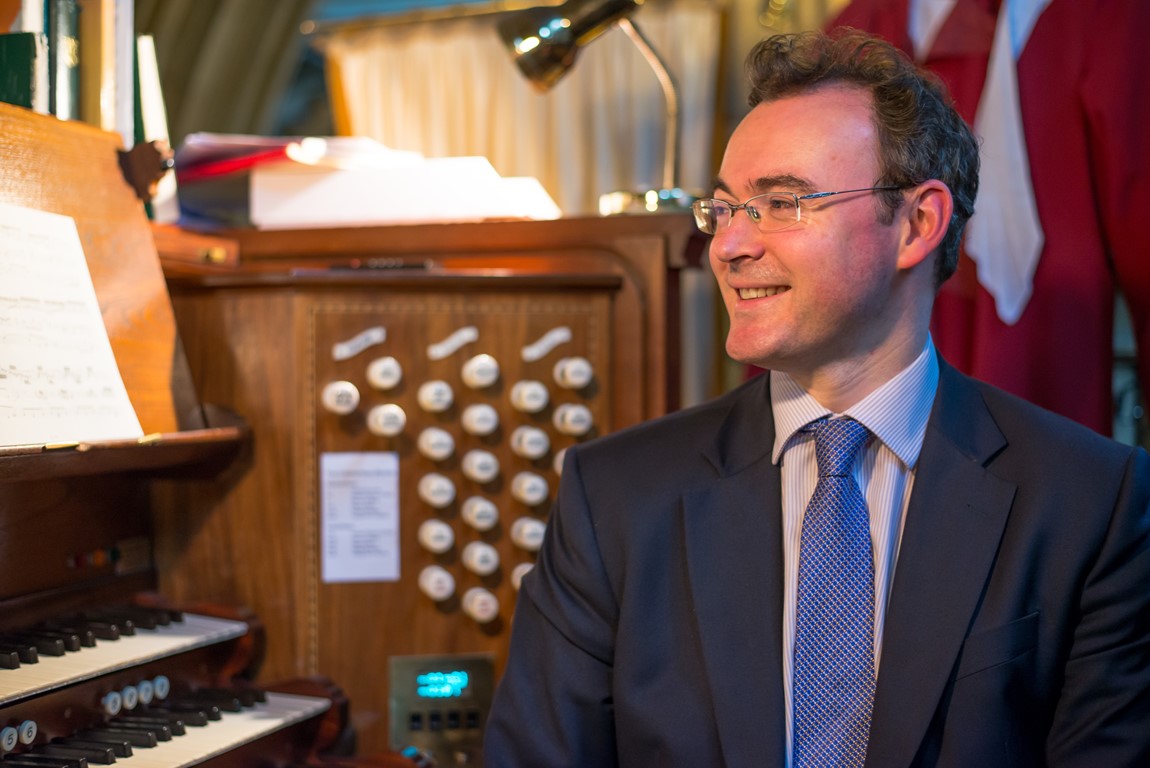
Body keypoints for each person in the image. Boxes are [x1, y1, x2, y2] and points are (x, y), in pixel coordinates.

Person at [483, 27, 1150, 767]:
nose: (730, 246)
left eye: (782, 203)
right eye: (726, 207)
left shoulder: (1091, 500)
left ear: (917, 223)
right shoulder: (613, 500)